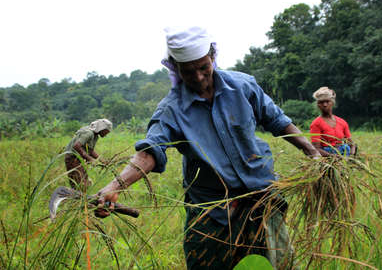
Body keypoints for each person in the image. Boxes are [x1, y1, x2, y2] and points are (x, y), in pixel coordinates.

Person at [95, 26, 320, 269]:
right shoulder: (171, 109)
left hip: (261, 198)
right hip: (211, 210)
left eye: (204, 67)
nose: (199, 77)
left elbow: (277, 120)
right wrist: (115, 185)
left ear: (212, 57)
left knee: (275, 263)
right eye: (189, 72)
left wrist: (312, 152)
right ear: (175, 68)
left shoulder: (243, 86)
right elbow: (151, 151)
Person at [65, 119, 112, 190]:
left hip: (79, 159)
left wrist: (102, 160)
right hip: (72, 158)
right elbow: (76, 146)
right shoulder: (89, 133)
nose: (106, 135)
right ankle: (71, 198)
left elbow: (90, 150)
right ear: (102, 128)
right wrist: (89, 159)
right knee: (80, 184)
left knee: (85, 182)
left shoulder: (95, 136)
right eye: (106, 132)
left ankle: (77, 199)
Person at [309, 87, 356, 156]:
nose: (325, 105)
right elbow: (316, 149)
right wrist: (333, 156)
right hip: (327, 156)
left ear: (332, 103)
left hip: (344, 155)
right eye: (321, 102)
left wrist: (351, 154)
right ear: (318, 105)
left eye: (327, 101)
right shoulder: (316, 124)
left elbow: (351, 144)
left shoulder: (342, 122)